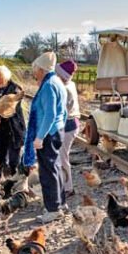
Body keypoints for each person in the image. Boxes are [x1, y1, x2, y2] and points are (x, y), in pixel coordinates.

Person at [22, 51, 67, 223]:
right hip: (57, 130)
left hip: (48, 133)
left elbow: (50, 114)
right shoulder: (57, 81)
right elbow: (61, 112)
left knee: (47, 172)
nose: (34, 72)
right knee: (55, 167)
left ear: (42, 69)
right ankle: (60, 203)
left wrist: (40, 137)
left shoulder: (48, 85)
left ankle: (53, 209)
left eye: (35, 69)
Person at [55, 59, 80, 198]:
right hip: (73, 122)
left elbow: (62, 111)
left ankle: (68, 187)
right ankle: (65, 184)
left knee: (62, 157)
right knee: (62, 156)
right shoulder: (71, 84)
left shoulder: (65, 89)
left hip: (69, 123)